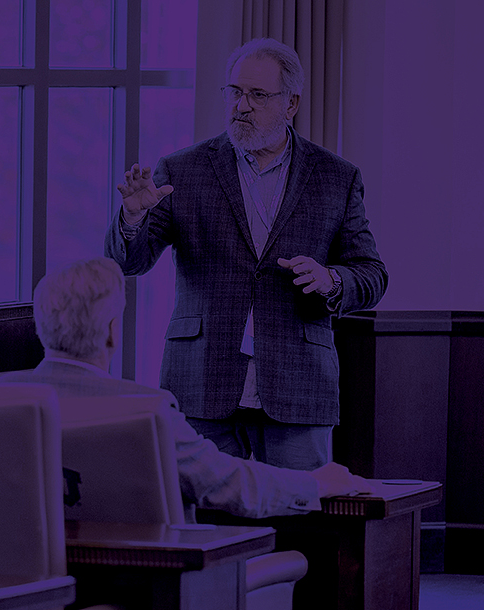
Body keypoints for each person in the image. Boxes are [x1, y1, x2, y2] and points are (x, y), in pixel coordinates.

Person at [107, 38, 387, 470]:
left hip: (297, 384)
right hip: (202, 380)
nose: (242, 105)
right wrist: (132, 217)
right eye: (235, 92)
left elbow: (371, 274)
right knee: (206, 526)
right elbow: (131, 262)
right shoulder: (182, 169)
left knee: (302, 519)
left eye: (258, 95)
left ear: (291, 103)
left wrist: (332, 280)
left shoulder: (336, 177)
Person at [0, 257, 370, 518]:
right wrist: (314, 484)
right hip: (143, 586)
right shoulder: (147, 409)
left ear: (41, 324)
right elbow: (227, 484)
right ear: (112, 332)